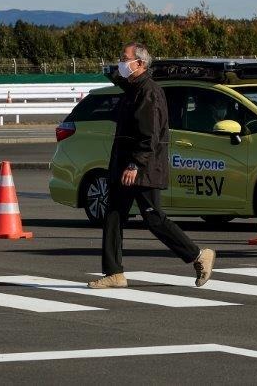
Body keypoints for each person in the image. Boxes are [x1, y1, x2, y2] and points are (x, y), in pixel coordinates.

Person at [88, 43, 215, 289]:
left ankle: (199, 256)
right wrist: (112, 71)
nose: (121, 63)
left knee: (154, 218)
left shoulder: (149, 92)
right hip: (127, 165)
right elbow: (120, 79)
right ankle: (114, 272)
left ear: (140, 64)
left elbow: (150, 135)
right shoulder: (134, 88)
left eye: (125, 59)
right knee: (113, 215)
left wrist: (135, 163)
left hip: (143, 167)